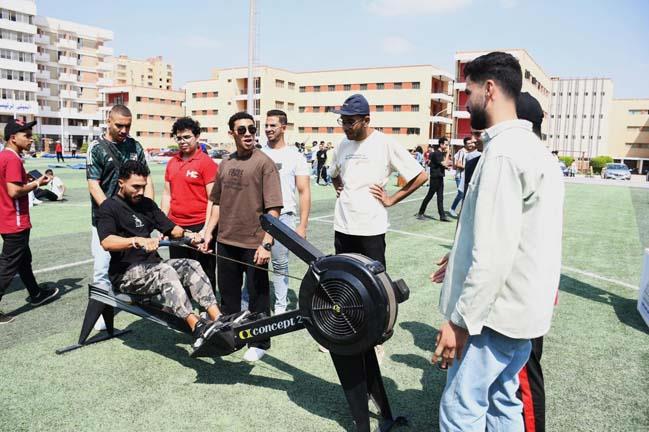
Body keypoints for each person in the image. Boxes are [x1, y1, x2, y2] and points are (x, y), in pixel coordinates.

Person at [430, 52, 564, 432]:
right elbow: (517, 235)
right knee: (503, 403)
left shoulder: (503, 154)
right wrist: (456, 256)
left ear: (488, 89)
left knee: (461, 408)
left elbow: (493, 254)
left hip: (492, 316)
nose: (465, 101)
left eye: (468, 91)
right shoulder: (535, 151)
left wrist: (459, 322)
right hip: (521, 313)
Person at [96, 160, 222, 347]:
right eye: (135, 187)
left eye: (143, 187)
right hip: (125, 274)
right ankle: (197, 327)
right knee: (165, 272)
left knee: (191, 265)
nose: (140, 191)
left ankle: (219, 319)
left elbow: (172, 229)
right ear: (121, 182)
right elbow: (106, 242)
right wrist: (136, 240)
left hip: (152, 267)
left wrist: (190, 236)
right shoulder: (109, 207)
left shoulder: (147, 204)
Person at [201, 111, 283, 362]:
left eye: (251, 129)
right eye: (242, 130)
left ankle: (260, 341)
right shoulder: (225, 163)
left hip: (254, 243)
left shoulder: (264, 163)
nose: (248, 134)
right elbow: (215, 203)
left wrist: (266, 243)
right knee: (228, 295)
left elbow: (274, 209)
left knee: (258, 297)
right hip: (226, 241)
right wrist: (208, 234)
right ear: (232, 134)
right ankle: (231, 336)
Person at [329, 93, 427, 271]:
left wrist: (392, 199)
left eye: (350, 122)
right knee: (344, 280)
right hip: (343, 226)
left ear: (366, 120)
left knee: (375, 285)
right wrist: (339, 188)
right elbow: (333, 173)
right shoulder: (342, 145)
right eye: (342, 121)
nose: (345, 127)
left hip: (370, 228)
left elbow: (420, 176)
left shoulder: (384, 143)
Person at [87, 104, 153, 330]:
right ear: (108, 120)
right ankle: (101, 314)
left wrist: (149, 212)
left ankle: (140, 299)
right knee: (102, 268)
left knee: (139, 263)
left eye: (128, 126)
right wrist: (110, 211)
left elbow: (146, 179)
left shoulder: (135, 146)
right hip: (105, 220)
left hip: (134, 221)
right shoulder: (96, 147)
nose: (124, 130)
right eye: (119, 125)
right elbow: (93, 184)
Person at [0, 119, 60, 323]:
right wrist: (35, 183)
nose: (31, 138)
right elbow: (14, 191)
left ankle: (35, 294)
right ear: (12, 137)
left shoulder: (5, 157)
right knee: (8, 266)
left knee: (23, 261)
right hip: (15, 220)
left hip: (8, 218)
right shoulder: (12, 159)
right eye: (26, 134)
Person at [262, 109, 311, 314]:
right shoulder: (259, 153)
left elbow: (304, 191)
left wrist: (302, 225)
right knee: (254, 265)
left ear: (283, 127)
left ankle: (280, 307)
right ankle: (253, 305)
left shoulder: (295, 156)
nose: (268, 129)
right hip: (260, 218)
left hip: (284, 218)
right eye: (266, 125)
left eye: (272, 125)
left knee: (280, 265)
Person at [161, 117, 218, 290]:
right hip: (176, 228)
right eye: (179, 138)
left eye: (187, 137)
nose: (182, 141)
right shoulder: (172, 163)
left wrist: (206, 230)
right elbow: (166, 195)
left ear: (197, 136)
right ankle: (186, 313)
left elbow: (213, 199)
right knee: (179, 272)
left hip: (199, 226)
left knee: (205, 273)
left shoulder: (207, 163)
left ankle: (209, 312)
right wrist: (164, 225)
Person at [416, 137, 450, 221]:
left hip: (440, 177)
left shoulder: (440, 153)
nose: (447, 146)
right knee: (429, 196)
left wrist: (445, 167)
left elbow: (441, 165)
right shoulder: (437, 153)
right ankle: (420, 213)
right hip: (435, 178)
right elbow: (444, 164)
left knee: (440, 197)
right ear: (441, 144)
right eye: (446, 144)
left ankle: (442, 216)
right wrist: (448, 153)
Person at [448, 138, 468, 217]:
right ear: (465, 144)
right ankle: (452, 209)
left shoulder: (469, 152)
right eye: (469, 143)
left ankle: (462, 211)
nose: (471, 145)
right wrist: (467, 166)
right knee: (461, 193)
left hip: (465, 176)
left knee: (465, 195)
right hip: (460, 176)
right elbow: (457, 164)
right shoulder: (461, 152)